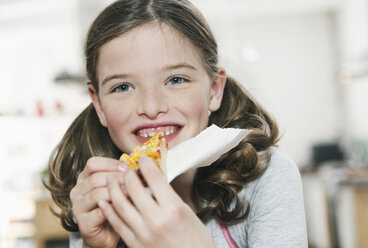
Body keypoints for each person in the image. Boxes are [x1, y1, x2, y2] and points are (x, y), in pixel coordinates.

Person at [45, 0, 308, 247]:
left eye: (176, 80)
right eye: (123, 87)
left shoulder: (266, 178)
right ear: (99, 105)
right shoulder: (95, 197)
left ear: (214, 90)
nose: (150, 107)